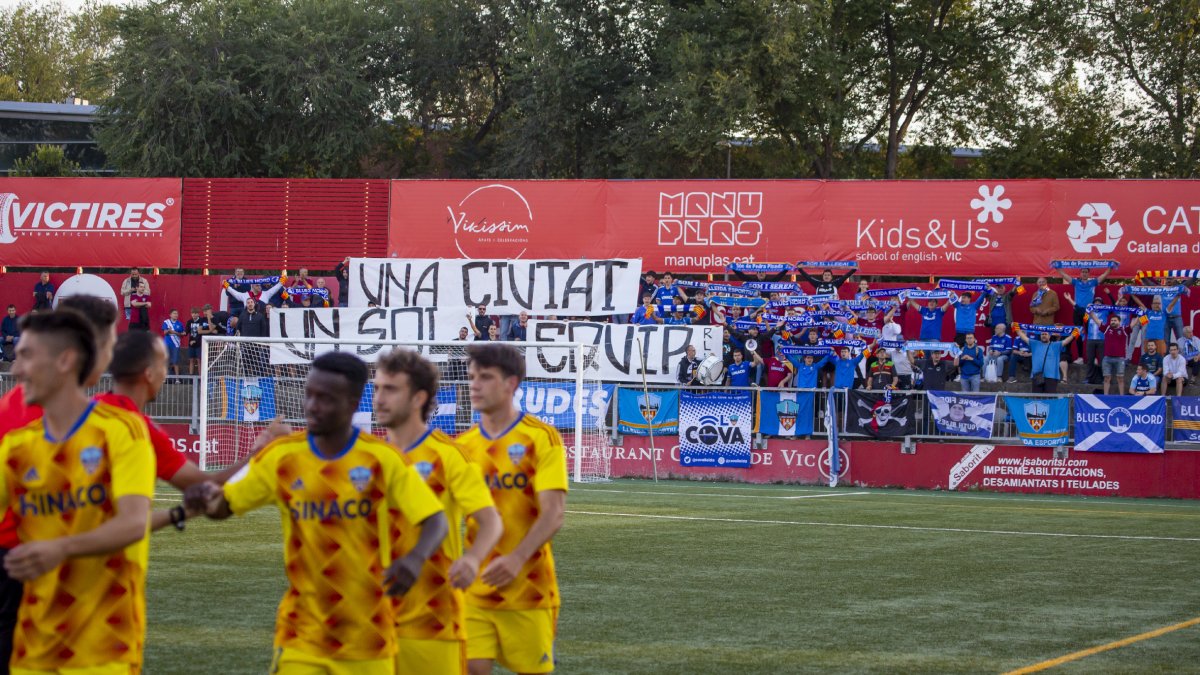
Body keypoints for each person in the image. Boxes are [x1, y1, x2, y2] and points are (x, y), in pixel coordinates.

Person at [184, 352, 449, 674]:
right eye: (309, 394)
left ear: (352, 402)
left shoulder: (382, 459)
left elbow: (435, 519)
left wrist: (416, 558)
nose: (312, 405)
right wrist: (208, 498)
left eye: (325, 398)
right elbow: (225, 506)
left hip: (369, 636)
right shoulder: (284, 457)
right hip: (301, 635)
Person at [0, 309, 153, 673]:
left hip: (103, 647)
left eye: (26, 356)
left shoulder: (121, 433)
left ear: (65, 361)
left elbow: (133, 523)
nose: (15, 370)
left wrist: (61, 547)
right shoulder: (17, 448)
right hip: (33, 650)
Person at [372, 349, 504, 675]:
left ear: (418, 398)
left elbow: (489, 521)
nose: (379, 398)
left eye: (390, 389)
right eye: (376, 388)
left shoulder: (448, 456)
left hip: (432, 616)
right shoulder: (367, 457)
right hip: (369, 616)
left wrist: (473, 559)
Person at [455, 344, 568, 675]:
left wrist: (517, 558)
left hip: (529, 588)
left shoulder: (541, 437)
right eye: (472, 376)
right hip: (475, 587)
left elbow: (554, 512)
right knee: (471, 669)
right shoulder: (462, 447)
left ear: (511, 384)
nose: (474, 384)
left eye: (485, 377)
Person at [1059, 266, 1111, 360]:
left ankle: (1094, 357)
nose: (1084, 273)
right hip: (1077, 311)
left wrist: (1110, 268)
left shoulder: (1093, 282)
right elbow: (1064, 275)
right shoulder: (1076, 282)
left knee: (1091, 333)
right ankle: (1080, 357)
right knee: (1078, 333)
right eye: (1082, 271)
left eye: (1086, 272)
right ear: (1080, 273)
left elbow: (1104, 275)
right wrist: (1057, 268)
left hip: (1088, 313)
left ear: (1088, 273)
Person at [1015, 325, 1076, 393]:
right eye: (1042, 334)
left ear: (1049, 336)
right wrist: (1017, 328)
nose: (1044, 335)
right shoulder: (1035, 343)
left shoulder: (1056, 345)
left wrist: (1074, 334)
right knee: (1037, 400)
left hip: (1051, 376)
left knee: (1050, 399)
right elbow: (1024, 338)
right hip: (1037, 376)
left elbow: (1066, 341)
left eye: (1045, 334)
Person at [1130, 293, 1175, 358]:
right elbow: (1140, 304)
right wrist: (1132, 294)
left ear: (1161, 305)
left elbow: (1171, 304)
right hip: (1148, 338)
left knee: (1161, 357)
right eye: (1155, 303)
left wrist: (1178, 296)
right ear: (1151, 305)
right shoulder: (1148, 312)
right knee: (1147, 357)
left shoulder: (1164, 313)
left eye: (1158, 303)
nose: (1157, 305)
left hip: (1160, 339)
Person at [1099, 313, 1132, 395]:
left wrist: (1140, 314)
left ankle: (1122, 397)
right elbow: (1097, 321)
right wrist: (1091, 311)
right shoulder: (1107, 328)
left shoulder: (1124, 329)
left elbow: (1133, 324)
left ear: (1119, 322)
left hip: (1120, 358)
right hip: (1107, 358)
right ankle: (1105, 396)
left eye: (1115, 320)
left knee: (1120, 378)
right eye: (1111, 320)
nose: (1113, 322)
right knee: (1106, 378)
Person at [185, 306, 213, 375]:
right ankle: (191, 376)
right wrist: (181, 333)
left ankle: (200, 376)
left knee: (199, 360)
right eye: (192, 313)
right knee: (191, 360)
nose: (194, 315)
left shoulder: (201, 320)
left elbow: (201, 333)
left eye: (196, 313)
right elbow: (186, 332)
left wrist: (195, 341)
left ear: (198, 314)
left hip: (199, 344)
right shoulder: (189, 321)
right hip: (191, 344)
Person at [161, 308, 184, 383]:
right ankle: (164, 378)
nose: (176, 315)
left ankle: (177, 379)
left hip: (176, 344)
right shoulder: (166, 322)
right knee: (166, 361)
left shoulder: (180, 324)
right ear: (170, 315)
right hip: (167, 343)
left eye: (177, 313)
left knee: (176, 361)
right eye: (174, 313)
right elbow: (165, 332)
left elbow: (182, 334)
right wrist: (169, 331)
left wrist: (173, 332)